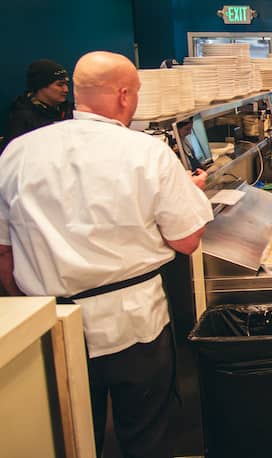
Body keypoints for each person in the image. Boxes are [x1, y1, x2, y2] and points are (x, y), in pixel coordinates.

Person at [0, 51, 214, 458]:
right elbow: (187, 240)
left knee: (70, 437)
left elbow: (4, 251)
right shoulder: (147, 152)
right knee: (144, 434)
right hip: (133, 324)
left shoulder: (17, 152)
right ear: (123, 96)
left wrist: (31, 301)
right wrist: (189, 192)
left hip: (50, 324)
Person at [1, 59, 74, 152]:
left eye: (66, 84)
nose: (66, 89)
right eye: (60, 85)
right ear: (40, 86)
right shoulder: (22, 118)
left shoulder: (70, 110)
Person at [174, 119, 209, 189]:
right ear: (176, 129)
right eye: (187, 129)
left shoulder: (184, 140)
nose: (190, 132)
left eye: (190, 129)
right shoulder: (175, 146)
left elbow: (192, 158)